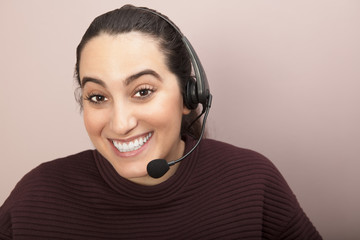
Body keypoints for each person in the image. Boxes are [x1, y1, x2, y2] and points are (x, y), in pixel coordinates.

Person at [0, 4, 322, 239]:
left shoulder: (254, 183)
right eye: (98, 97)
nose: (121, 123)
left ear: (188, 95)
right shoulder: (34, 198)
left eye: (142, 91)